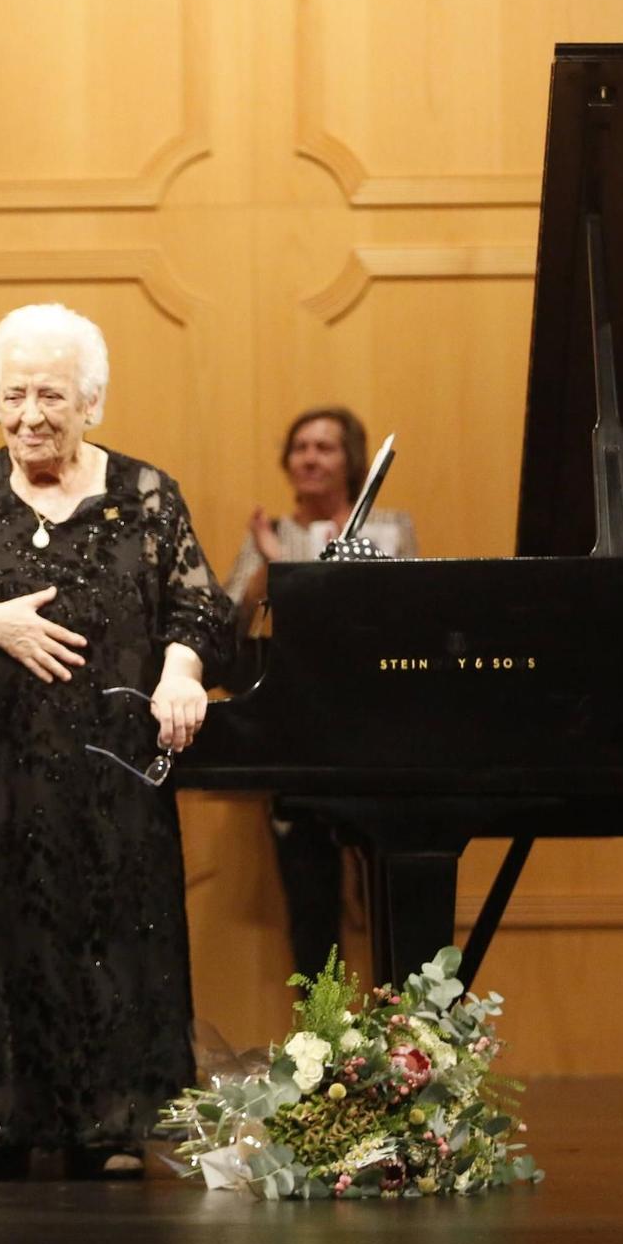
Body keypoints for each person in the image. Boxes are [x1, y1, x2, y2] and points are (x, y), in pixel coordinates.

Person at [0, 303, 234, 1179]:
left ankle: (109, 1121)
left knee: (110, 929)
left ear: (91, 403)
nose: (29, 415)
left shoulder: (147, 494)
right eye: (14, 396)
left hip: (105, 767)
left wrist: (182, 672)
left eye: (50, 395)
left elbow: (198, 607)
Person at [221, 406, 418, 981]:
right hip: (297, 741)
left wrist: (287, 567)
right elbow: (228, 631)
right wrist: (264, 564)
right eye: (300, 446)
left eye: (324, 447)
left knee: (389, 898)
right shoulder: (270, 533)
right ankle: (319, 1052)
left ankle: (405, 1050)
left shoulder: (391, 527)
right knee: (310, 906)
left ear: (352, 460)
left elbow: (392, 619)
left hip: (375, 741)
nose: (309, 457)